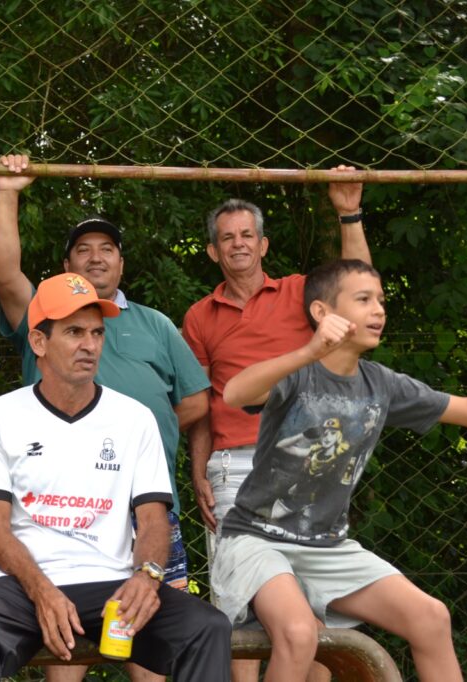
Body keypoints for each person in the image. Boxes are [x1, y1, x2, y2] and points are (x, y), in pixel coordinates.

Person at [0, 273, 231, 682]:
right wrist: (41, 591)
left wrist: (147, 576)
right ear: (39, 342)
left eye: (97, 333)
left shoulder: (135, 418)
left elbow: (153, 521)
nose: (91, 345)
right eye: (74, 332)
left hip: (111, 580)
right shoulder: (0, 415)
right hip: (23, 584)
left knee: (208, 627)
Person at [0, 155, 210, 682]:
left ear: (121, 264)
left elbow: (197, 401)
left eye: (106, 248)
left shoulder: (155, 324)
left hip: (146, 511)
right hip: (62, 512)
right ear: (67, 265)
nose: (95, 257)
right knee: (66, 655)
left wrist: (139, 435)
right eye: (83, 249)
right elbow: (4, 274)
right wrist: (8, 193)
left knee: (152, 654)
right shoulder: (42, 314)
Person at [213, 259, 467, 681]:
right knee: (299, 634)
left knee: (431, 618)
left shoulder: (382, 384)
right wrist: (309, 351)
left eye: (381, 301)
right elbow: (234, 392)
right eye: (364, 299)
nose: (379, 310)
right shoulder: (297, 373)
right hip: (255, 540)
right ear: (322, 312)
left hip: (328, 547)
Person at [182, 173, 368, 681]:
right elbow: (201, 406)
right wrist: (199, 471)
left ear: (263, 245)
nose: (238, 244)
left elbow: (359, 291)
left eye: (247, 235)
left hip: (306, 462)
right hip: (233, 467)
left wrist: (348, 213)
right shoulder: (199, 317)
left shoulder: (298, 293)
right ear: (213, 251)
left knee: (312, 610)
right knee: (240, 609)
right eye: (227, 238)